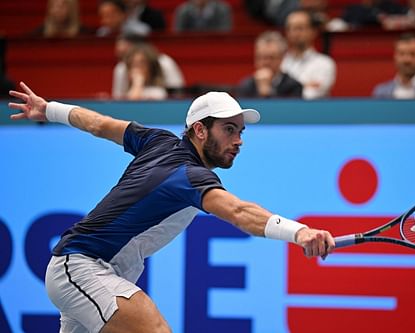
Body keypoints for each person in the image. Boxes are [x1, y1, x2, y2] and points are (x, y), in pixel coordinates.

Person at [8, 82, 335, 333]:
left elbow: (99, 123)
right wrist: (300, 232)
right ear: (200, 130)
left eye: (241, 131)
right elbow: (238, 212)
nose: (239, 141)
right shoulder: (190, 176)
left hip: (91, 271)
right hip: (82, 267)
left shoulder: (157, 140)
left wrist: (49, 109)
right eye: (229, 130)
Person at [281, 9, 336, 99]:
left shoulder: (325, 63)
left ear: (313, 31)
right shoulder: (281, 62)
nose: (295, 33)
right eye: (290, 28)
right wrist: (305, 85)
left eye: (300, 28)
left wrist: (286, 88)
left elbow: (313, 94)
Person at [112, 34, 185, 99]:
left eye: (142, 63)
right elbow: (118, 99)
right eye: (133, 64)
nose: (136, 68)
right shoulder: (121, 68)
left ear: (151, 66)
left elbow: (177, 94)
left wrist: (138, 82)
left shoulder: (165, 63)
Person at [238, 31, 303, 98]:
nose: (266, 62)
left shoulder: (294, 86)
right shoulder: (246, 86)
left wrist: (269, 93)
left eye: (271, 57)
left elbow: (290, 108)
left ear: (281, 58)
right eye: (261, 57)